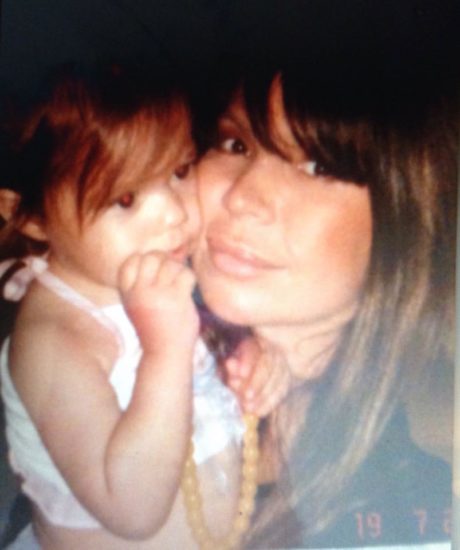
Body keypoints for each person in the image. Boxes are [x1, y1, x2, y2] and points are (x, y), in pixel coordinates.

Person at [0, 64, 288, 550]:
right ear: (30, 216)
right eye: (127, 198)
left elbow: (212, 359)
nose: (174, 213)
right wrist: (166, 349)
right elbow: (131, 510)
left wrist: (249, 367)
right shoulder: (53, 340)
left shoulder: (156, 268)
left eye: (180, 171)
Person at [192, 65, 457, 548]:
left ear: (405, 221)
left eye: (317, 167)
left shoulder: (414, 501)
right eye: (236, 145)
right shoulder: (132, 361)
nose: (243, 197)